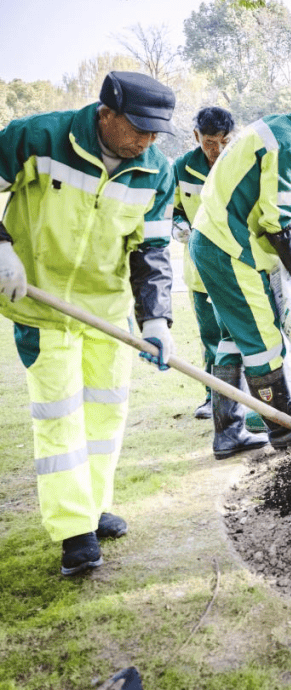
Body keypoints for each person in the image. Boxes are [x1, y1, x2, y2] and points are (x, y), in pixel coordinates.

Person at [0, 70, 178, 576]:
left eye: (154, 132)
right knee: (60, 416)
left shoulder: (155, 173)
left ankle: (94, 505)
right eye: (137, 128)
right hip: (41, 306)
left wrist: (157, 319)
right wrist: (1, 246)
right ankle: (73, 531)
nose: (145, 141)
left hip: (107, 312)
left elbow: (153, 250)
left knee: (105, 415)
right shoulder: (39, 138)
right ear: (106, 113)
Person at [189, 97, 291, 452]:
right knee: (264, 342)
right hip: (230, 250)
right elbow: (278, 222)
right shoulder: (289, 148)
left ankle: (229, 433)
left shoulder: (277, 129)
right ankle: (284, 431)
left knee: (233, 339)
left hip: (214, 241)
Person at [173, 107, 270, 460]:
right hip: (200, 273)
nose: (217, 149)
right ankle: (214, 400)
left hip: (238, 265)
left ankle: (250, 408)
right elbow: (173, 211)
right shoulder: (181, 168)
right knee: (213, 339)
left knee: (243, 337)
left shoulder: (242, 160)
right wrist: (177, 227)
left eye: (224, 141)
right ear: (196, 137)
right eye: (210, 142)